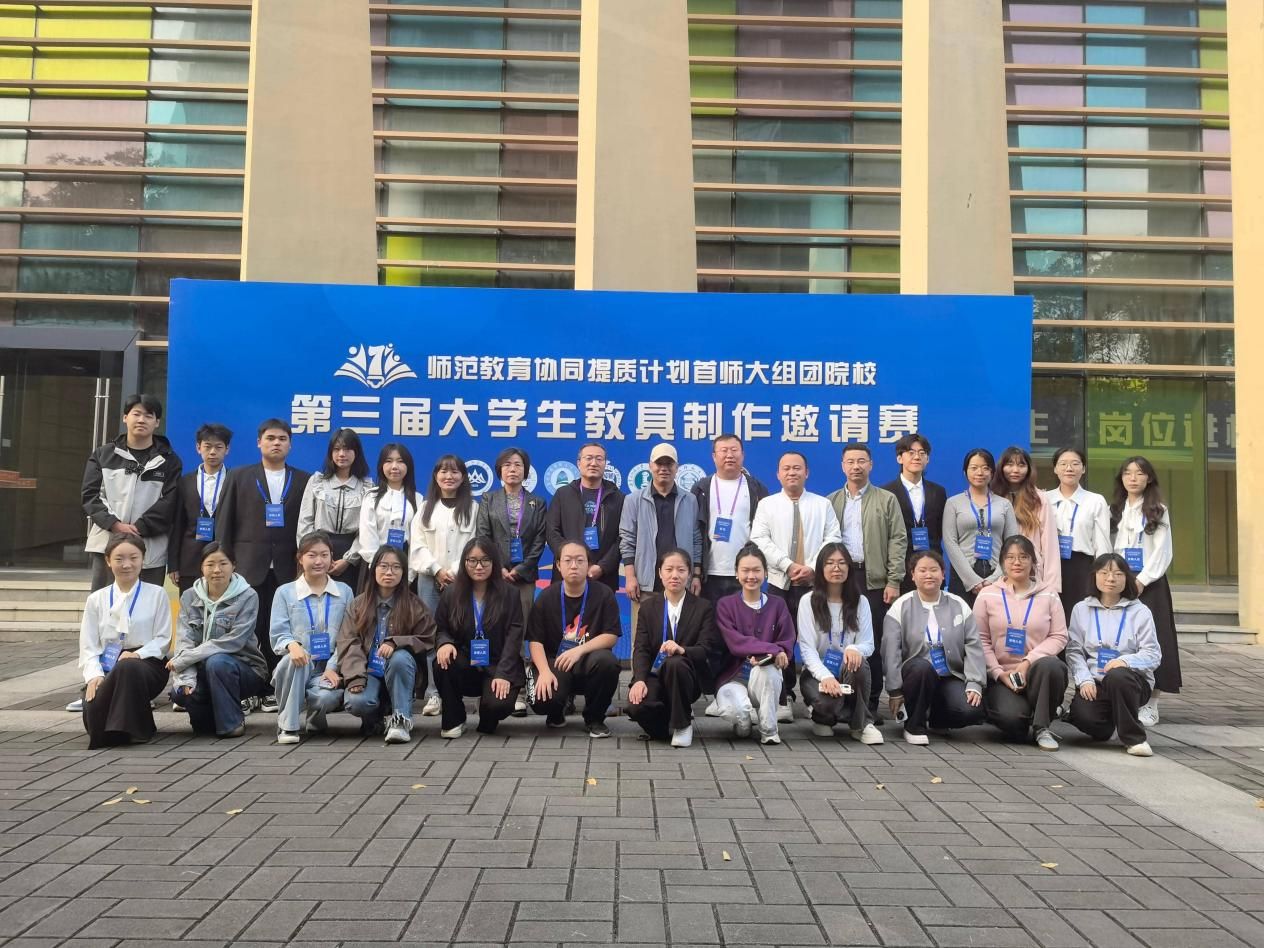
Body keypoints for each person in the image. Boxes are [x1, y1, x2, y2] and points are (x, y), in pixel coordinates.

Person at [217, 418, 311, 711]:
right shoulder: (239, 476)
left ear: (290, 444)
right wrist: (226, 562)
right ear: (259, 442)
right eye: (270, 438)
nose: (276, 443)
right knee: (248, 629)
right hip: (247, 566)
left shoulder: (304, 480)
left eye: (282, 439)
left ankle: (272, 687)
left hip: (286, 567)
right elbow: (224, 523)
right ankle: (248, 688)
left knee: (280, 626)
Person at [750, 451, 841, 720]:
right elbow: (760, 539)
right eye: (786, 468)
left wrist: (811, 567)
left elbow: (833, 538)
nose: (792, 472)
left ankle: (817, 694)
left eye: (797, 468)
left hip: (814, 583)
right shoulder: (767, 505)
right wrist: (788, 565)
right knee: (781, 639)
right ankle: (784, 695)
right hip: (780, 582)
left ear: (807, 472)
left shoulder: (822, 504)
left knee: (819, 637)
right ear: (778, 474)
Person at [826, 444, 907, 721]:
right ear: (842, 466)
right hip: (841, 577)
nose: (856, 466)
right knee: (838, 634)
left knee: (870, 639)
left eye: (861, 461)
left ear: (871, 465)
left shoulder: (886, 499)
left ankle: (870, 702)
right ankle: (840, 697)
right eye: (850, 461)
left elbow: (898, 540)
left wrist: (893, 580)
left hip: (874, 578)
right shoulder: (831, 501)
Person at [972, 536, 1068, 751]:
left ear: (1033, 561)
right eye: (1011, 557)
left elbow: (1059, 636)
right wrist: (998, 673)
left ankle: (1042, 727)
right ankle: (1031, 712)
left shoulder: (1049, 594)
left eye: (1024, 557)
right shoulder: (987, 594)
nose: (1017, 562)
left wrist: (1027, 662)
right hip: (1001, 675)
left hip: (1037, 673)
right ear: (1002, 562)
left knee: (1052, 666)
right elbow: (979, 639)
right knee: (1013, 721)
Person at [883, 550, 987, 746]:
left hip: (950, 674)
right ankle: (913, 726)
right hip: (915, 675)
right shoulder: (900, 606)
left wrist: (975, 683)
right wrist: (894, 690)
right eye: (922, 570)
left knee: (970, 710)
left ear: (943, 573)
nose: (928, 575)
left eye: (934, 570)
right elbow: (890, 652)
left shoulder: (959, 604)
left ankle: (938, 719)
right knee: (922, 668)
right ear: (912, 575)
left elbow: (973, 645)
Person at [77, 534, 171, 748]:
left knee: (128, 667)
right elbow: (88, 646)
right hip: (108, 663)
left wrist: (137, 654)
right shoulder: (96, 599)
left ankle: (134, 731)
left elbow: (163, 640)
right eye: (119, 559)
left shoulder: (157, 594)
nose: (126, 565)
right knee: (92, 708)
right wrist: (94, 675)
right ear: (108, 561)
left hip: (148, 663)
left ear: (143, 560)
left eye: (133, 558)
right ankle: (132, 726)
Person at [81, 393, 182, 591]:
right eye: (136, 414)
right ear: (125, 417)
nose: (141, 420)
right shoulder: (103, 454)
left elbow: (170, 502)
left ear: (157, 422)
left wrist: (138, 528)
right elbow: (91, 496)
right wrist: (115, 525)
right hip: (108, 544)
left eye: (148, 416)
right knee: (105, 601)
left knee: (146, 603)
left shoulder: (170, 461)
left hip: (150, 550)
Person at [168, 542, 269, 738]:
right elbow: (184, 641)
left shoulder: (248, 596)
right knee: (180, 694)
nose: (216, 570)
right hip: (201, 669)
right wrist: (186, 679)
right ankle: (213, 714)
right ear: (201, 567)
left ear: (234, 565)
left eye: (223, 563)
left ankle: (232, 723)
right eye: (210, 564)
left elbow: (234, 641)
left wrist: (186, 659)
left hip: (244, 669)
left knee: (218, 662)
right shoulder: (189, 596)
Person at [1066, 553, 1162, 757]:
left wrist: (1124, 661)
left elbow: (1153, 654)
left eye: (1118, 574)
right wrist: (1084, 679)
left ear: (1127, 578)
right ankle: (1114, 722)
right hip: (1096, 682)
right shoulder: (1081, 609)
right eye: (1104, 573)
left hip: (1131, 682)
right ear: (1094, 576)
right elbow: (1074, 651)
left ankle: (1134, 739)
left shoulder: (1140, 612)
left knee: (1118, 676)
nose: (1111, 579)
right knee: (1086, 719)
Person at [337, 545, 435, 744]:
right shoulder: (358, 604)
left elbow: (427, 638)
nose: (389, 572)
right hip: (368, 671)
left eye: (396, 567)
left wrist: (396, 642)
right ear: (373, 569)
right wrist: (355, 676)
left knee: (399, 658)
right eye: (383, 566)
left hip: (401, 671)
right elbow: (348, 642)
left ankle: (401, 720)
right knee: (357, 702)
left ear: (403, 572)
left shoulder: (414, 605)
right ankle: (376, 717)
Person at [1109, 456, 1180, 727]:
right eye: (1128, 473)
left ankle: (1151, 703)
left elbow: (1163, 552)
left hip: (1150, 585)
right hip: (1117, 582)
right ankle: (1123, 694)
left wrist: (1141, 581)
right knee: (1120, 637)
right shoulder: (1113, 510)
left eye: (1139, 473)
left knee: (1157, 639)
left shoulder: (1158, 511)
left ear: (1149, 478)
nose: (1133, 478)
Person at [525, 541, 622, 738]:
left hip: (587, 661)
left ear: (588, 565)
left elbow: (611, 636)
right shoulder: (546, 597)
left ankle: (594, 718)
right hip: (555, 662)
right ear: (558, 565)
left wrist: (579, 650)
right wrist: (544, 671)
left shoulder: (604, 594)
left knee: (608, 662)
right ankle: (555, 713)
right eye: (568, 560)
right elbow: (535, 641)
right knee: (542, 700)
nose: (574, 566)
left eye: (580, 560)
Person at [626, 548, 719, 747]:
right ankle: (669, 720)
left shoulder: (703, 607)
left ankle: (682, 725)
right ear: (660, 573)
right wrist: (639, 680)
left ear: (689, 574)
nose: (674, 575)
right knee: (637, 707)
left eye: (681, 570)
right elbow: (641, 648)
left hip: (687, 676)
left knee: (675, 663)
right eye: (669, 570)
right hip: (655, 674)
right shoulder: (648, 607)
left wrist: (682, 650)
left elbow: (706, 649)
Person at [433, 539, 525, 738]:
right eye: (472, 560)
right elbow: (441, 628)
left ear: (494, 562)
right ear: (464, 563)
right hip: (465, 662)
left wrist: (503, 673)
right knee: (443, 662)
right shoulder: (451, 593)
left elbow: (514, 637)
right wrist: (444, 643)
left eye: (485, 560)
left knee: (496, 708)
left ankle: (486, 706)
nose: (479, 566)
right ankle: (454, 719)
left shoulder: (510, 594)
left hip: (497, 663)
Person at [409, 454, 478, 717]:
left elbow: (475, 544)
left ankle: (463, 691)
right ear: (435, 476)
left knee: (463, 632)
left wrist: (456, 572)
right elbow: (417, 545)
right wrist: (436, 570)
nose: (449, 476)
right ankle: (433, 693)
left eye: (455, 472)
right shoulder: (425, 508)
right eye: (443, 472)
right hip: (430, 579)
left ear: (463, 477)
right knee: (431, 634)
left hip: (463, 580)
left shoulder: (474, 508)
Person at [268, 531, 352, 744]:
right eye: (312, 555)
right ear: (300, 558)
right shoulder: (285, 592)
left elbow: (348, 636)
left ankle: (316, 715)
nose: (318, 561)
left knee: (325, 698)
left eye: (324, 555)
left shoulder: (344, 592)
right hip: (294, 666)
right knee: (297, 660)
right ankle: (288, 725)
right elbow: (278, 632)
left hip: (327, 668)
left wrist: (332, 666)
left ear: (332, 557)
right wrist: (292, 645)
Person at [795, 543, 883, 744]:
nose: (836, 568)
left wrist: (854, 648)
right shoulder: (808, 601)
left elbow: (868, 643)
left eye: (842, 563)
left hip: (846, 669)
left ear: (849, 568)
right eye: (830, 563)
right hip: (817, 673)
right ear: (820, 568)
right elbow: (807, 649)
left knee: (858, 662)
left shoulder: (860, 602)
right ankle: (823, 718)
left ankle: (861, 724)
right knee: (827, 704)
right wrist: (825, 676)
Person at [713, 544, 797, 745]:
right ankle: (744, 722)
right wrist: (773, 649)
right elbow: (736, 643)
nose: (751, 576)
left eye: (757, 570)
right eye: (745, 570)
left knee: (769, 672)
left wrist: (778, 653)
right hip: (734, 678)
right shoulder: (725, 605)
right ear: (736, 573)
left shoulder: (778, 604)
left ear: (766, 573)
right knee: (736, 714)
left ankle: (769, 730)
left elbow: (787, 639)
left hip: (764, 676)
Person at [620, 443, 703, 610]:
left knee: (681, 628)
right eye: (659, 463)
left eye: (669, 464)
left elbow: (696, 540)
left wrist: (695, 575)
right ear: (650, 466)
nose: (664, 468)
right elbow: (627, 541)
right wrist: (630, 577)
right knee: (643, 627)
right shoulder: (633, 500)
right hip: (645, 584)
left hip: (681, 583)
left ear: (677, 467)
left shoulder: (690, 500)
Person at [691, 433, 770, 602]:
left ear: (743, 455)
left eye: (734, 450)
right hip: (708, 574)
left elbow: (766, 531)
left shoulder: (757, 489)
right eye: (724, 450)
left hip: (745, 573)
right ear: (714, 456)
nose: (729, 455)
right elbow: (695, 532)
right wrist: (696, 572)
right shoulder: (701, 489)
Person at [475, 446, 548, 623]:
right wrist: (498, 567)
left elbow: (539, 541)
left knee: (523, 623)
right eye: (507, 465)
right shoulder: (488, 499)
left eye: (518, 465)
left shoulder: (537, 502)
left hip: (525, 576)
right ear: (499, 470)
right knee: (493, 622)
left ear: (525, 470)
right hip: (494, 573)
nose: (512, 469)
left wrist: (520, 570)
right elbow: (483, 537)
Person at [298, 428, 373, 594]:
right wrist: (313, 555)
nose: (342, 454)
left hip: (352, 554)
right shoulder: (317, 481)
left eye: (347, 449)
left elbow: (366, 530)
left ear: (356, 453)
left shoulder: (367, 487)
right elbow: (305, 521)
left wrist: (349, 560)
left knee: (349, 601)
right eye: (337, 449)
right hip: (317, 551)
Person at [544, 442, 625, 593]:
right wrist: (570, 561)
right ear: (579, 463)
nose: (593, 463)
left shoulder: (618, 497)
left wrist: (602, 566)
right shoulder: (563, 494)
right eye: (588, 458)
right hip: (567, 575)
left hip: (604, 577)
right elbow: (551, 531)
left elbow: (622, 537)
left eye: (599, 459)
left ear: (605, 464)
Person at [943, 448, 1019, 606]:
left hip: (997, 574)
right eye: (974, 468)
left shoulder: (1004, 504)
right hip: (963, 576)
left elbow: (1012, 543)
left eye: (985, 468)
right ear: (965, 472)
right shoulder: (953, 503)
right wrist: (972, 580)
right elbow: (950, 542)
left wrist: (996, 578)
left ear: (992, 473)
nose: (980, 472)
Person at [1045, 447, 1111, 623]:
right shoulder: (1044, 499)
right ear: (1055, 469)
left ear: (1083, 469)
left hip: (1082, 567)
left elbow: (1102, 543)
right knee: (1051, 616)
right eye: (1063, 464)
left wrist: (1104, 573)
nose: (1069, 468)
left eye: (1075, 464)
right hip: (1050, 566)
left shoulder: (1095, 501)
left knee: (1081, 618)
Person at [168, 422, 232, 595]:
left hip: (224, 561)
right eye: (207, 446)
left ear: (227, 449)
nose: (212, 452)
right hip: (190, 561)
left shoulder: (235, 480)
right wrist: (173, 564)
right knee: (191, 607)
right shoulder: (184, 482)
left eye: (218, 447)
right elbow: (177, 524)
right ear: (198, 448)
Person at [880, 433, 947, 595]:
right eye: (911, 453)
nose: (917, 457)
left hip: (931, 568)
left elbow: (940, 531)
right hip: (900, 569)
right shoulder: (886, 492)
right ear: (899, 458)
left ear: (927, 459)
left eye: (922, 453)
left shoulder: (938, 491)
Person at [993, 446, 1060, 592]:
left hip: (1030, 570)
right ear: (1001, 467)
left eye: (1021, 465)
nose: (1015, 470)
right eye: (1010, 464)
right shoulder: (992, 497)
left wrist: (1052, 586)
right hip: (996, 570)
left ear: (1029, 469)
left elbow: (1050, 544)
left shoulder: (1039, 499)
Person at [357, 441, 416, 572]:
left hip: (405, 563)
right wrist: (379, 566)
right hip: (374, 563)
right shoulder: (371, 496)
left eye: (400, 461)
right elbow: (367, 535)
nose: (394, 467)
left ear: (408, 466)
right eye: (388, 461)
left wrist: (410, 572)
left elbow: (417, 540)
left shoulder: (417, 499)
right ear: (381, 466)